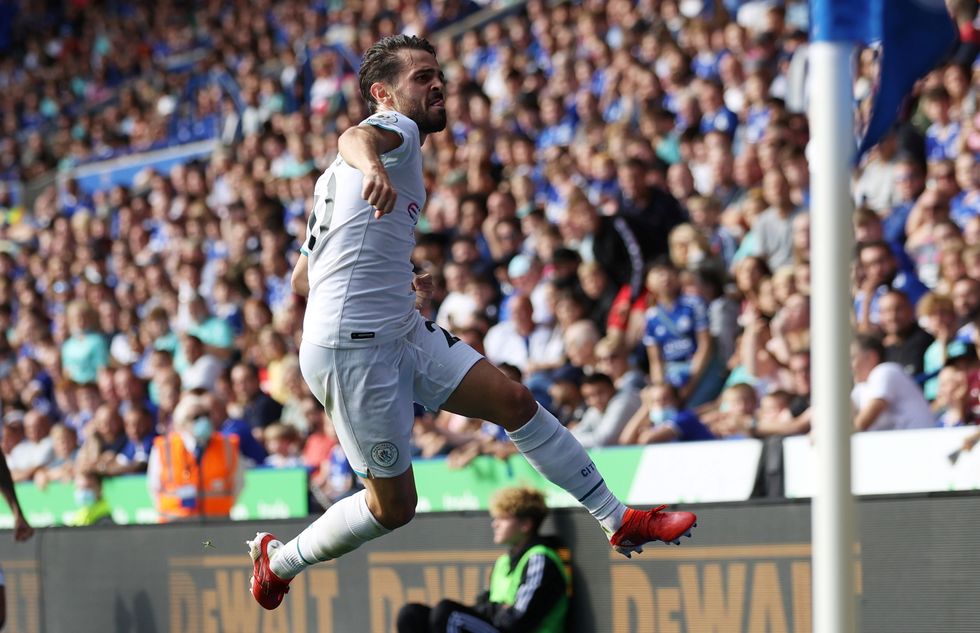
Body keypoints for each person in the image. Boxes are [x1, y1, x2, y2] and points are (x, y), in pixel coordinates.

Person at [248, 35, 697, 612]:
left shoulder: (330, 183)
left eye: (439, 75)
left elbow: (301, 280)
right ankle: (279, 562)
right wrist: (374, 167)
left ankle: (618, 518)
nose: (437, 85)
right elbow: (355, 137)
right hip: (354, 351)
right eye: (421, 77)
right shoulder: (390, 133)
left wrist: (395, 276)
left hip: (397, 329)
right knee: (393, 508)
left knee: (514, 401)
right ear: (383, 94)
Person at [395, 486, 570, 633]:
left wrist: (495, 609)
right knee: (412, 614)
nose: (495, 524)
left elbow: (517, 621)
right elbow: (482, 606)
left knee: (448, 613)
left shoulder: (540, 559)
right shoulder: (503, 562)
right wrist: (499, 607)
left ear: (526, 524)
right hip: (499, 626)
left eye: (503, 518)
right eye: (495, 518)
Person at [147, 391, 243, 522]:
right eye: (196, 417)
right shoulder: (164, 448)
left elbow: (238, 483)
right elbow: (154, 487)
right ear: (182, 422)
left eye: (206, 415)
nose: (203, 421)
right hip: (175, 523)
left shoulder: (226, 446)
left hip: (217, 522)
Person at [851, 334, 934, 432]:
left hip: (918, 439)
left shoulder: (885, 371)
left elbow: (861, 424)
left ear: (871, 357)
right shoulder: (861, 386)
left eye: (853, 358)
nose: (849, 365)